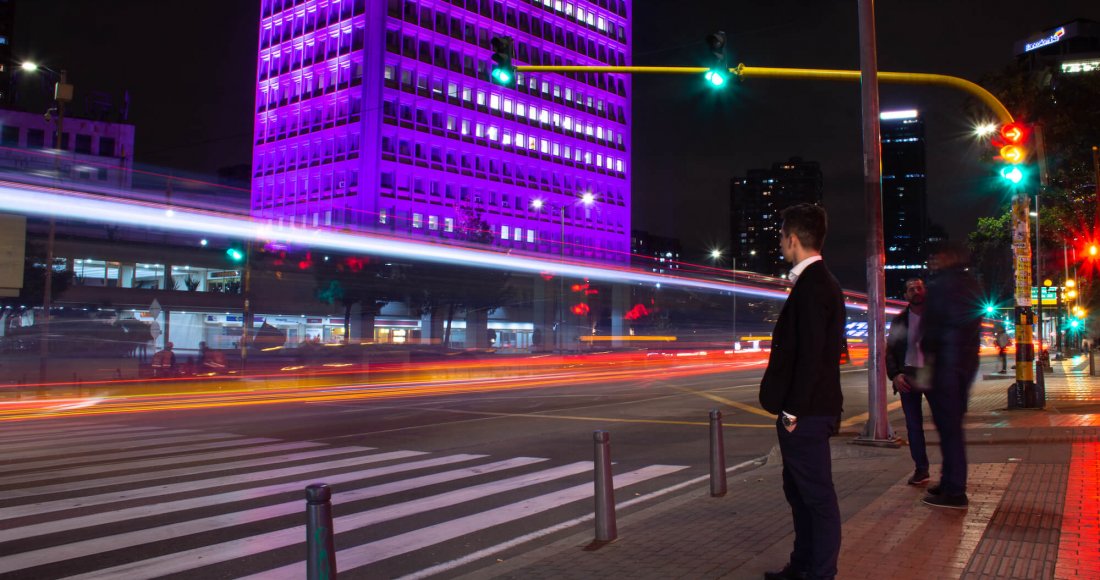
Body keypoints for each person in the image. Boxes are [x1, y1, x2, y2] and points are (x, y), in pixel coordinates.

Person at [759, 203, 845, 580]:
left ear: (792, 239)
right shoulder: (818, 283)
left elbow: (811, 357)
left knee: (816, 499)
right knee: (800, 496)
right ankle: (803, 566)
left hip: (806, 413)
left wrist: (792, 412)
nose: (780, 243)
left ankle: (819, 573)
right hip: (807, 411)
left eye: (781, 236)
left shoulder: (814, 286)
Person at [920, 242, 983, 510]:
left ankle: (954, 489)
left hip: (947, 363)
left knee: (949, 429)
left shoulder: (942, 285)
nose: (933, 261)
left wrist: (927, 353)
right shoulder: (972, 284)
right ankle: (948, 482)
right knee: (952, 426)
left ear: (948, 257)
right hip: (966, 362)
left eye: (936, 257)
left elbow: (932, 327)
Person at [885, 278, 931, 486]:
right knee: (913, 426)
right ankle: (921, 469)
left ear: (925, 291)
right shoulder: (899, 321)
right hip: (908, 376)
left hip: (933, 376)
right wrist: (895, 375)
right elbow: (890, 352)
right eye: (911, 289)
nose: (915, 291)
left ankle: (950, 472)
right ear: (906, 296)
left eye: (919, 288)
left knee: (946, 424)